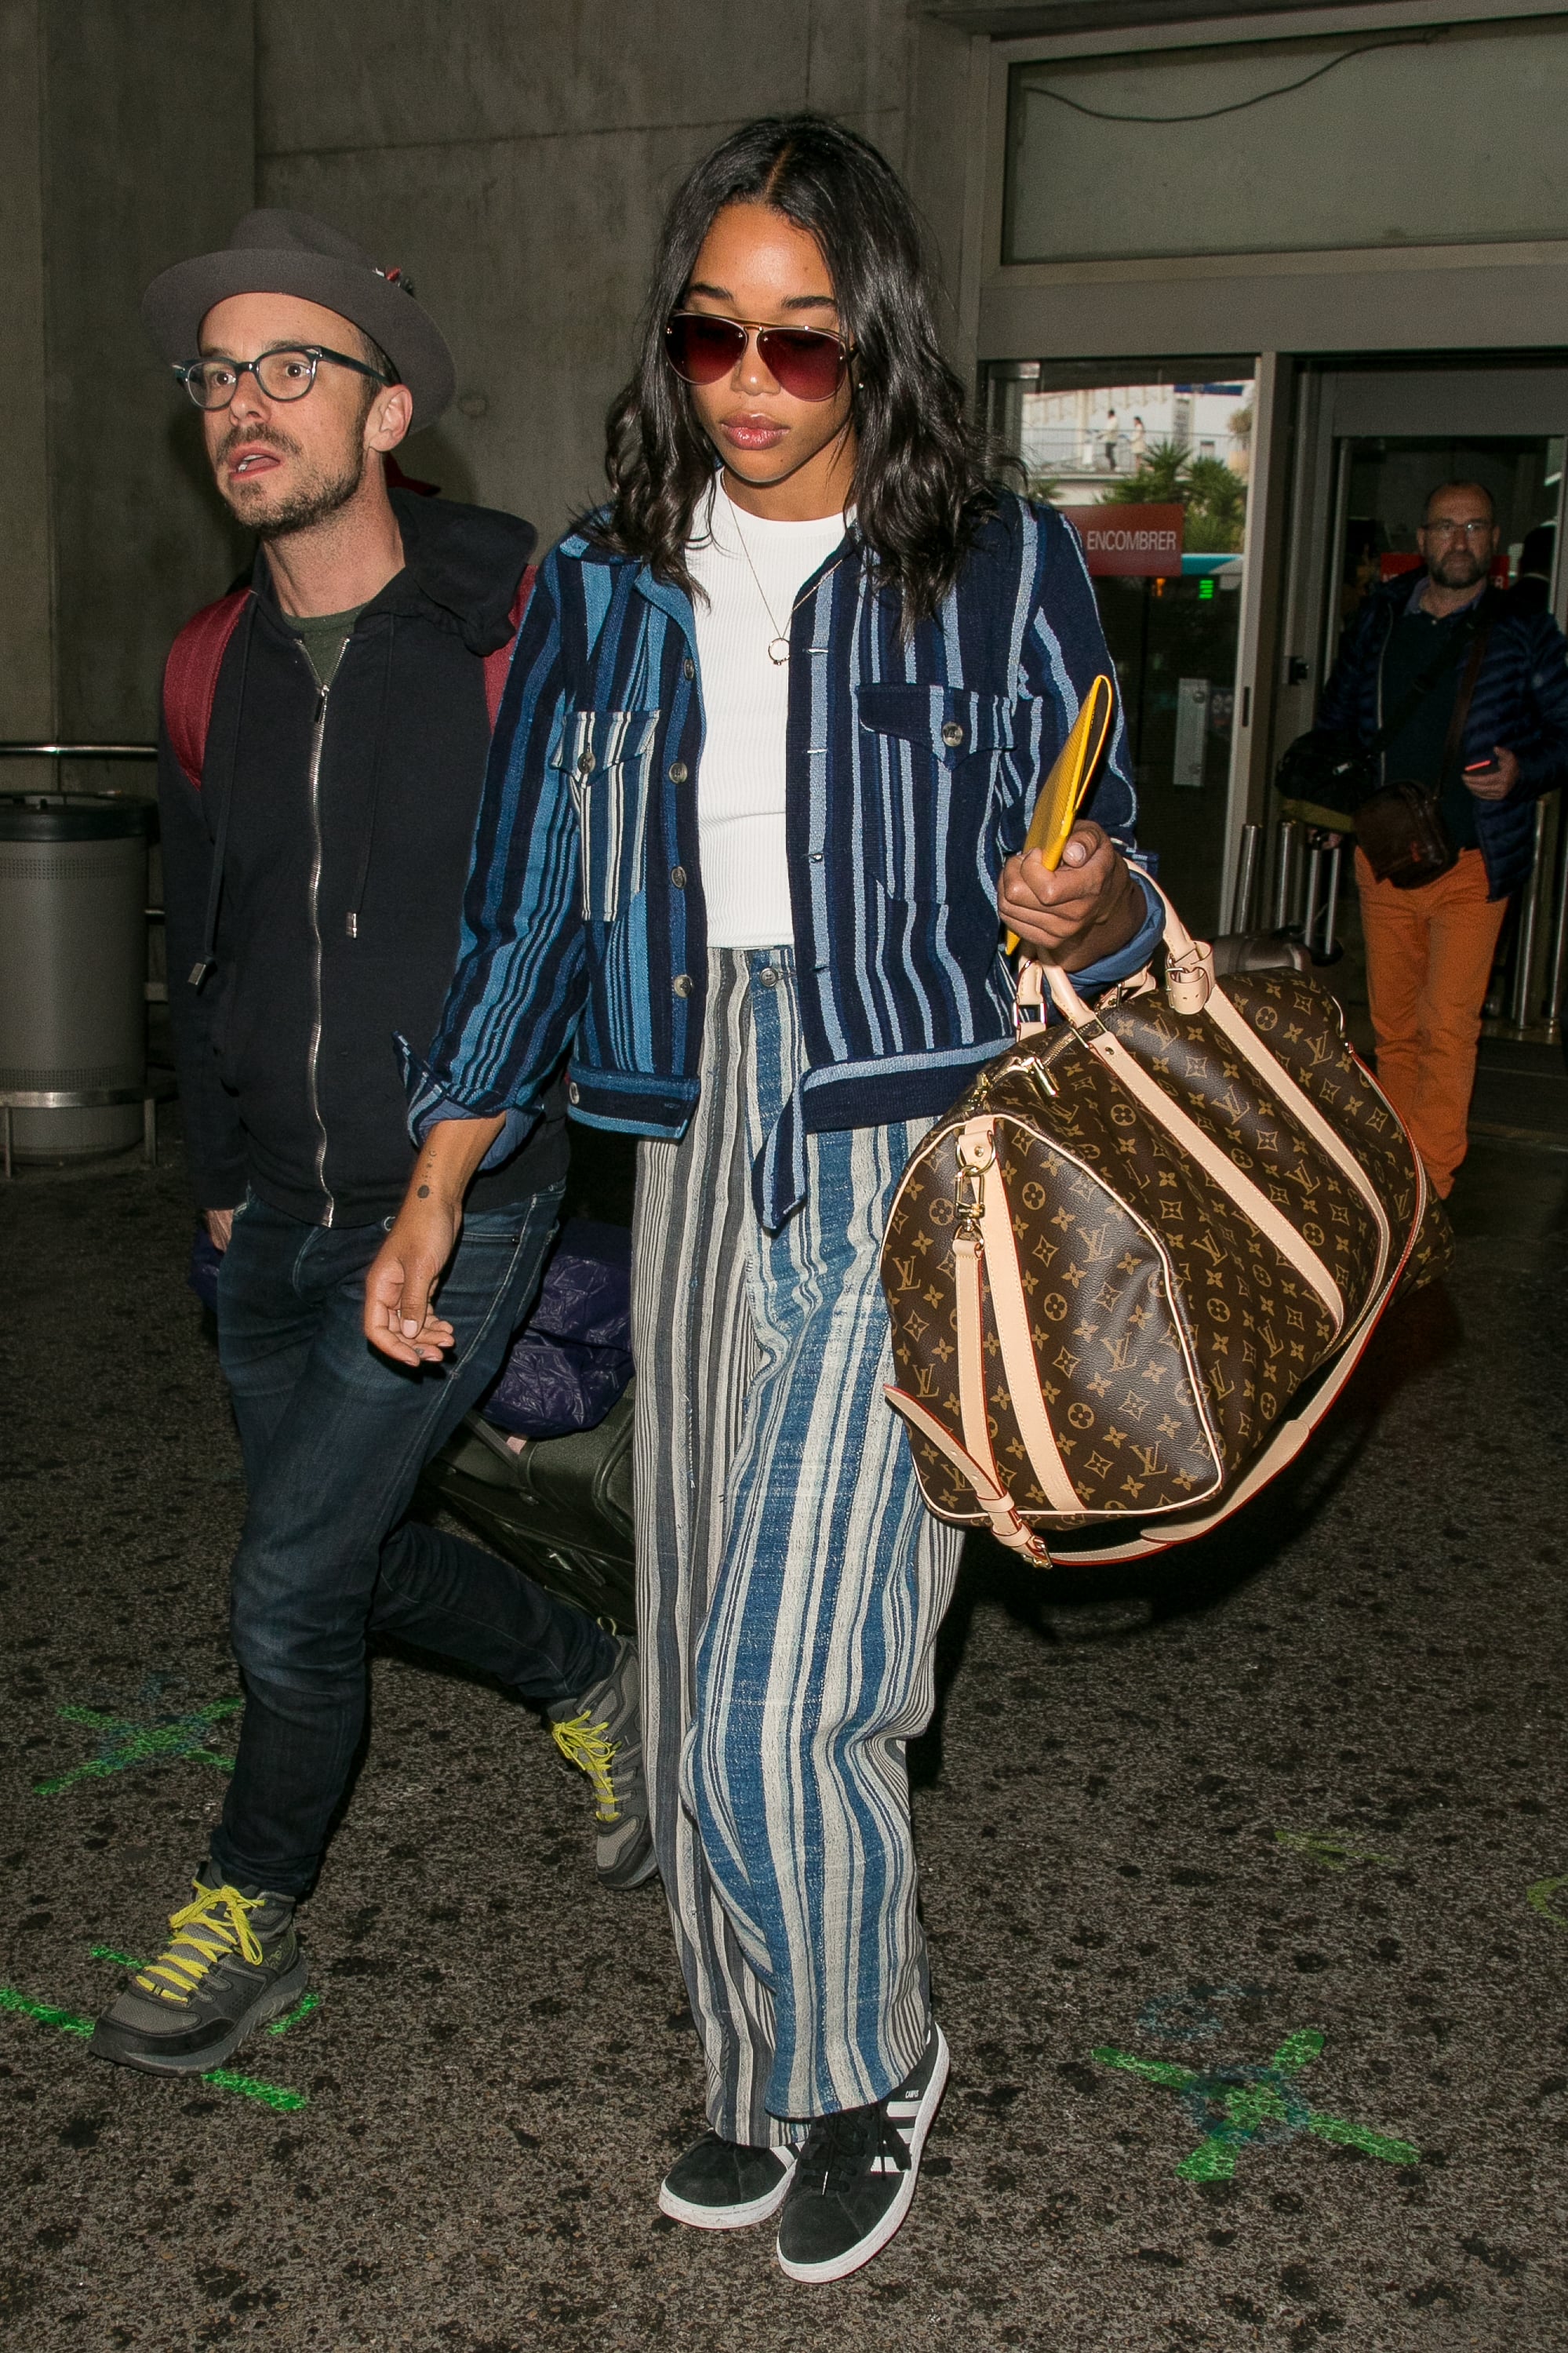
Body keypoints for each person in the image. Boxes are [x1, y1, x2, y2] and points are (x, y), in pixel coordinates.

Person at [364, 116, 1160, 2284]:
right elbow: (529, 897)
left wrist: (1081, 895)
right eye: (710, 333)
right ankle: (749, 2068)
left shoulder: (989, 565)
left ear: (876, 350)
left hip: (909, 1129)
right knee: (705, 1625)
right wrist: (440, 1169)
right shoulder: (606, 586)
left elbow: (1108, 875)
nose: (745, 381)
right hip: (686, 1128)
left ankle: (870, 2057)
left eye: (799, 345)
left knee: (790, 1687)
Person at [92, 212, 653, 2085]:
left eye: (290, 369)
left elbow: (580, 914)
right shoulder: (203, 666)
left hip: (470, 1191)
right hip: (277, 1208)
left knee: (282, 1580)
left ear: (386, 406)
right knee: (334, 1547)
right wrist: (221, 1178)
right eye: (217, 378)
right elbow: (213, 930)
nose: (242, 406)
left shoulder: (512, 633)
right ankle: (588, 1670)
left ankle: (244, 1903)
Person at [1314, 479, 1568, 1197]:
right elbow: (1341, 725)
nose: (1459, 542)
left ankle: (1431, 1181)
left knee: (1446, 1024)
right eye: (1445, 528)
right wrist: (1337, 812)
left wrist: (1524, 769)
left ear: (1494, 544)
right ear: (1421, 540)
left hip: (1473, 858)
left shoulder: (1524, 629)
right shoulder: (1381, 620)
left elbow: (1564, 732)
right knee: (1392, 1025)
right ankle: (1399, 1167)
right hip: (1385, 856)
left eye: (1474, 528)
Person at [1103, 403, 1119, 471]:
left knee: (1109, 453)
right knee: (1108, 454)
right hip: (1108, 439)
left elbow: (1111, 429)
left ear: (1111, 414)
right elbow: (1107, 429)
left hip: (1112, 439)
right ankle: (1113, 465)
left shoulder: (1115, 420)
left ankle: (1113, 466)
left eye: (1108, 414)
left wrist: (1103, 434)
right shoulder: (1110, 421)